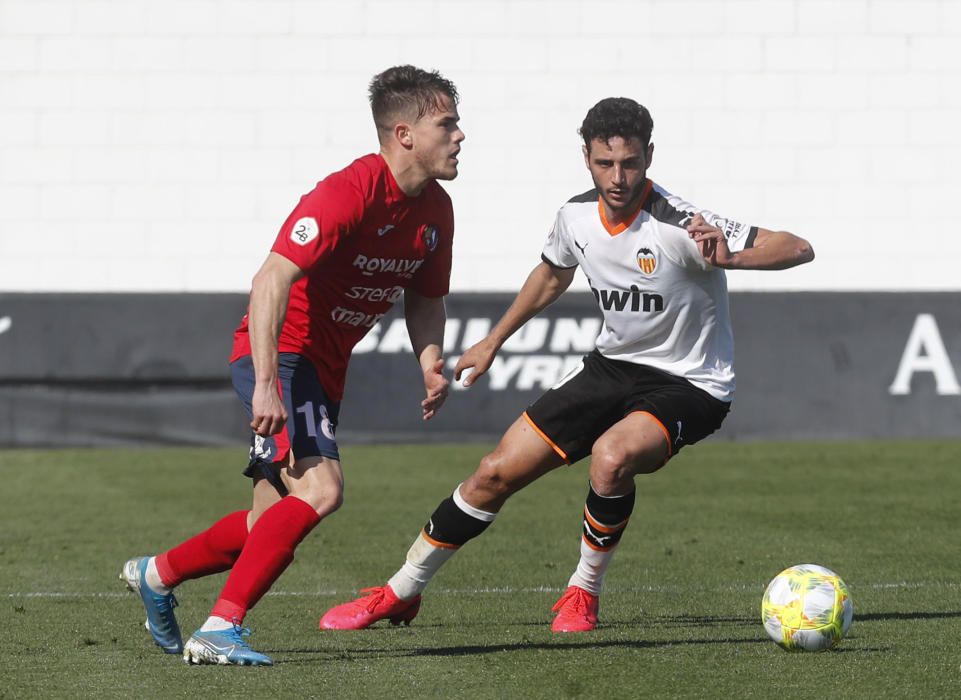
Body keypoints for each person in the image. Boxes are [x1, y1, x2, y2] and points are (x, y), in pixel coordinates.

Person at [319, 97, 814, 634]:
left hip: (691, 382)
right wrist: (492, 341)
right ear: (586, 158)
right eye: (605, 163)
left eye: (630, 163)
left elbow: (798, 247)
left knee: (611, 457)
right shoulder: (575, 217)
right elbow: (553, 275)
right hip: (612, 368)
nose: (618, 177)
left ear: (650, 155)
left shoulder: (679, 223)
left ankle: (584, 591)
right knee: (493, 473)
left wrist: (731, 256)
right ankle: (401, 591)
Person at [120, 65, 465, 665]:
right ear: (404, 133)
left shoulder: (436, 211)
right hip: (282, 355)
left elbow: (426, 296)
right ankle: (220, 628)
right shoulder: (347, 192)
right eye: (448, 124)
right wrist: (264, 385)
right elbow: (270, 278)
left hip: (323, 368)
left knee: (267, 524)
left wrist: (430, 362)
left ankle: (158, 574)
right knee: (322, 489)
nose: (460, 135)